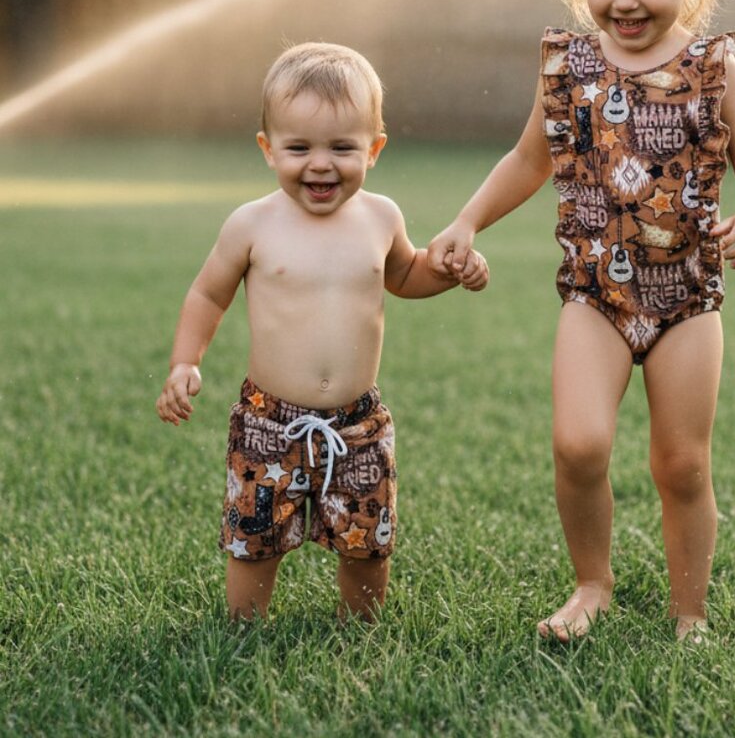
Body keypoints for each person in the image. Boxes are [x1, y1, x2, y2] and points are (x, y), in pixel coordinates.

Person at [428, 0, 735, 643]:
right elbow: (527, 160)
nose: (625, 2)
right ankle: (592, 585)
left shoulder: (715, 71)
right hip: (595, 293)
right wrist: (467, 219)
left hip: (686, 302)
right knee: (579, 444)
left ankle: (688, 613)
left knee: (681, 464)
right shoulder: (570, 69)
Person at [155, 42, 488, 621]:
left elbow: (405, 275)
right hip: (268, 422)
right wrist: (186, 361)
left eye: (342, 147)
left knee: (365, 539)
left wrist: (450, 271)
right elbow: (209, 293)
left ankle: (358, 627)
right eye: (299, 147)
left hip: (357, 422)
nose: (321, 164)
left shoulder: (382, 217)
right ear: (267, 149)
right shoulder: (252, 225)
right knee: (254, 539)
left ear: (374, 149)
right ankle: (244, 626)